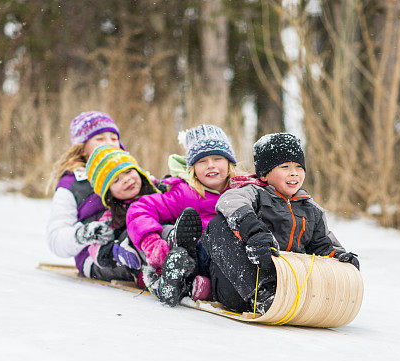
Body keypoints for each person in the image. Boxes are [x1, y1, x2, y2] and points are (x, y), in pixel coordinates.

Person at [201, 132, 359, 314]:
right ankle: (260, 293)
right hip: (239, 287)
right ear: (265, 175)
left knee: (328, 255)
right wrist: (254, 233)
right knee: (219, 225)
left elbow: (323, 244)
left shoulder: (312, 210)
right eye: (285, 167)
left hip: (287, 288)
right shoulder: (254, 193)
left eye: (299, 167)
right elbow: (229, 202)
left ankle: (274, 294)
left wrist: (340, 259)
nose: (294, 173)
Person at [127, 124, 257, 305]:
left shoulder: (247, 190)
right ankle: (182, 269)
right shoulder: (184, 193)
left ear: (229, 162)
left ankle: (195, 286)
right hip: (201, 255)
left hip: (236, 260)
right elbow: (139, 210)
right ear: (193, 168)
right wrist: (151, 243)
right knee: (203, 237)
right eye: (202, 161)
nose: (210, 165)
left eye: (218, 158)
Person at [45, 111, 127, 280]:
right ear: (82, 149)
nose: (109, 144)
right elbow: (56, 238)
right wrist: (82, 234)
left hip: (132, 240)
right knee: (133, 263)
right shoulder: (72, 185)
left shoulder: (130, 175)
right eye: (100, 139)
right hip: (96, 257)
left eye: (113, 138)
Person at [82, 145, 161, 281]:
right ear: (109, 193)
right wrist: (114, 251)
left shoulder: (161, 191)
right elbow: (95, 250)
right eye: (116, 180)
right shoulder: (111, 218)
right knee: (131, 232)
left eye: (128, 171)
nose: (126, 179)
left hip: (169, 244)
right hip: (145, 261)